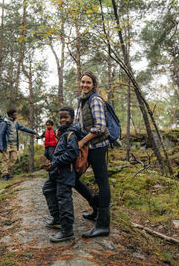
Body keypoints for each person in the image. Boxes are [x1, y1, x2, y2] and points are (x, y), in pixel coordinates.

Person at [75, 70, 111, 238]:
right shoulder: (81, 100)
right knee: (73, 177)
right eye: (83, 82)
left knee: (102, 181)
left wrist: (82, 141)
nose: (85, 85)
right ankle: (95, 208)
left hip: (97, 146)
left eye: (88, 82)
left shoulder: (95, 100)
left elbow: (100, 127)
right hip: (88, 146)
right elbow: (79, 125)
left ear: (94, 85)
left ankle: (103, 225)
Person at [42, 106, 81, 242]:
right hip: (56, 172)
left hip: (65, 173)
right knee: (48, 189)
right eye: (61, 117)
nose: (63, 120)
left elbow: (72, 153)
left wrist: (54, 162)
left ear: (72, 118)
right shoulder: (63, 133)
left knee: (64, 198)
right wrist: (51, 163)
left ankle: (67, 230)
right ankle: (57, 218)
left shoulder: (72, 134)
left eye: (66, 117)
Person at [0, 109, 37, 181]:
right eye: (15, 115)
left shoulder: (16, 123)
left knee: (14, 158)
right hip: (6, 144)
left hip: (14, 144)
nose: (16, 116)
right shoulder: (4, 122)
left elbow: (23, 128)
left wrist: (33, 132)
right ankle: (5, 175)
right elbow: (0, 134)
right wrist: (0, 146)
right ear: (10, 115)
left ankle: (8, 173)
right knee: (6, 159)